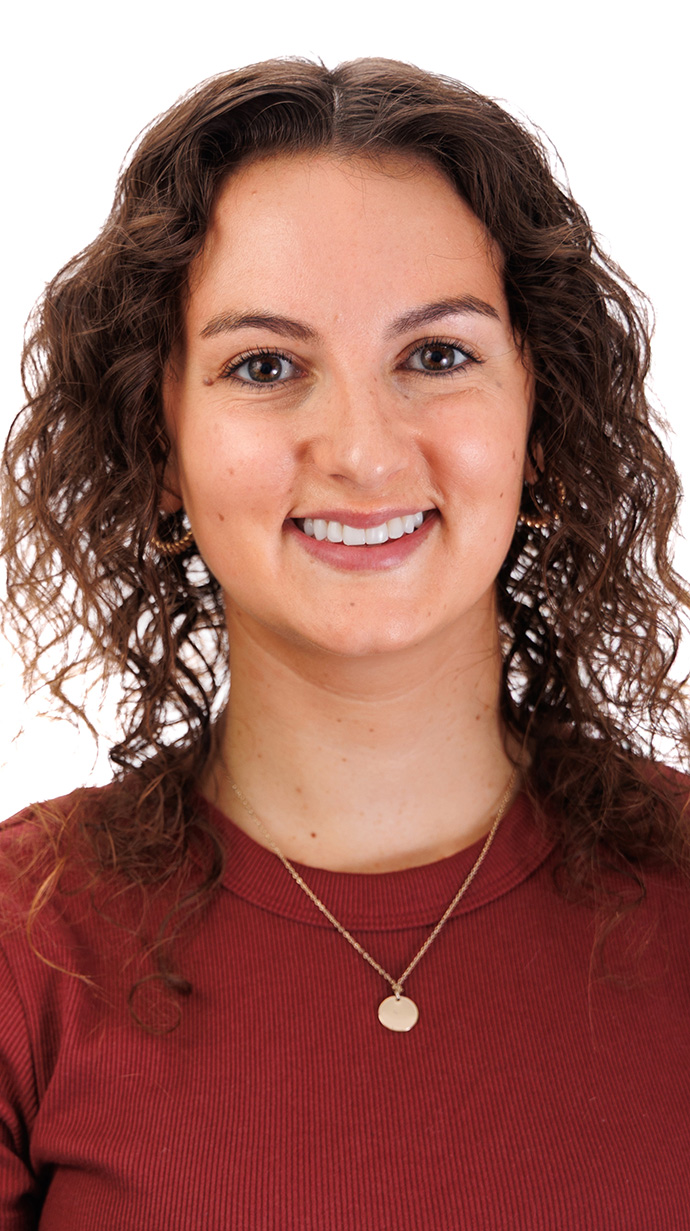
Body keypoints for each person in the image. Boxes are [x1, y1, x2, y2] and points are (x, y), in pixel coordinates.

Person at [1, 56, 689, 1229]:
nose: (364, 451)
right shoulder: (27, 948)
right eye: (265, 366)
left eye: (437, 356)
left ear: (542, 414)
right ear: (159, 440)